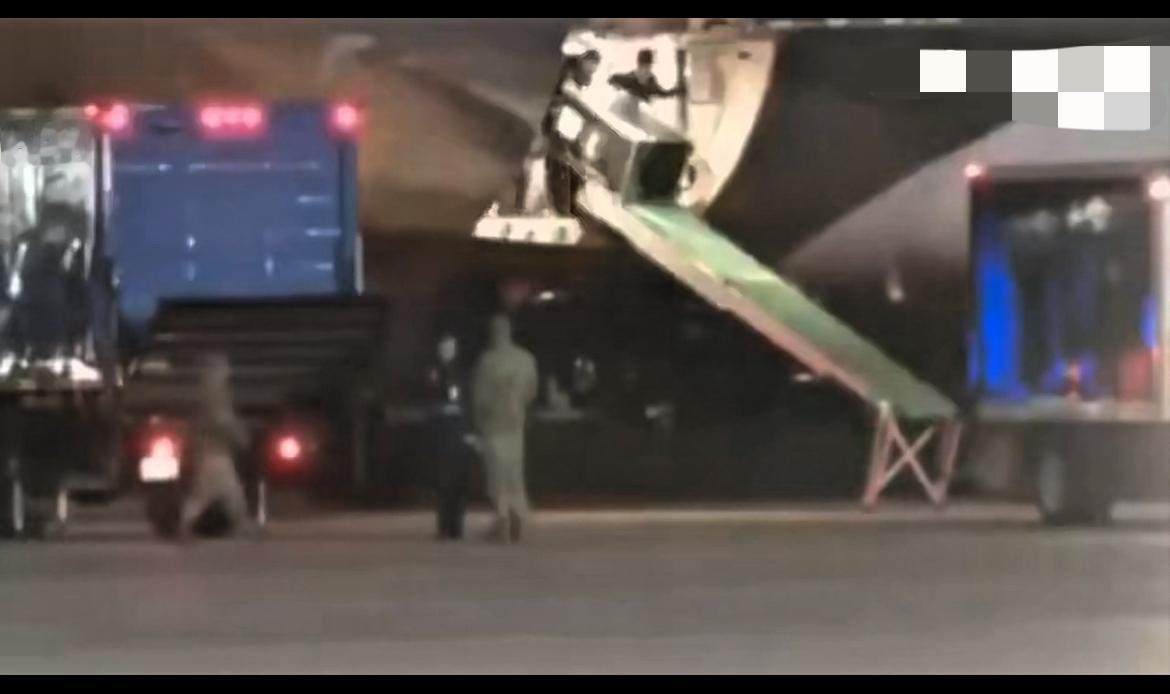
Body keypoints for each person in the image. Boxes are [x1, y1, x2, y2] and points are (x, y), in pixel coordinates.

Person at [472, 314, 538, 543]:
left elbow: (480, 397)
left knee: (496, 473)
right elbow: (531, 391)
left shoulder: (488, 361)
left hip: (494, 423)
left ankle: (502, 517)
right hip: (516, 421)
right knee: (514, 470)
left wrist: (478, 422)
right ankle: (517, 511)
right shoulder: (526, 359)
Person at [178, 353, 252, 541]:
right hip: (215, 453)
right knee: (223, 493)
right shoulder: (215, 394)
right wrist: (240, 437)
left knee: (207, 493)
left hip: (210, 452)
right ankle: (187, 526)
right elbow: (222, 421)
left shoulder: (207, 393)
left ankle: (186, 525)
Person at [426, 334, 477, 540]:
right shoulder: (433, 373)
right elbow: (430, 402)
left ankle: (457, 527)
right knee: (443, 483)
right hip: (441, 435)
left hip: (459, 434)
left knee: (460, 482)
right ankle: (444, 526)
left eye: (451, 347)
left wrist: (470, 431)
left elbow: (469, 403)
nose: (447, 351)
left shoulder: (463, 374)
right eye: (444, 347)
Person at [542, 49, 601, 216]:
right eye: (590, 67)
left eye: (593, 68)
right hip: (558, 130)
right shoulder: (567, 77)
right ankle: (560, 208)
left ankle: (568, 206)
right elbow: (567, 97)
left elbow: (577, 100)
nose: (591, 72)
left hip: (571, 131)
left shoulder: (582, 81)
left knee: (573, 171)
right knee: (560, 167)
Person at [608, 48, 686, 103]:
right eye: (645, 67)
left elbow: (663, 93)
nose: (648, 71)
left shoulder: (650, 82)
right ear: (639, 65)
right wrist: (616, 87)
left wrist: (677, 90)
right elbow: (612, 80)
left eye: (649, 67)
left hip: (637, 117)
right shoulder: (627, 79)